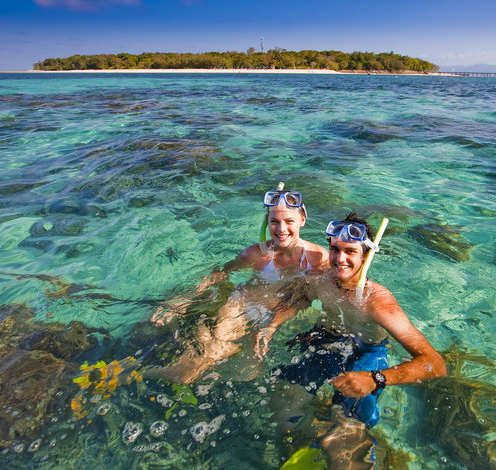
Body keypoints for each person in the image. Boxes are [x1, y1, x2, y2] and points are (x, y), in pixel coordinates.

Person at [253, 212, 446, 469]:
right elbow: (299, 298)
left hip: (368, 352)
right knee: (283, 402)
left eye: (350, 251)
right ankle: (304, 444)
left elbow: (435, 363)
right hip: (327, 339)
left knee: (346, 431)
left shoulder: (378, 303)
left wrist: (375, 378)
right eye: (334, 250)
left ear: (366, 256)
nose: (339, 259)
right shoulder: (322, 280)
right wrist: (272, 325)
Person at [145, 188, 328, 384]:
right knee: (198, 365)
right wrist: (179, 303)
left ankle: (188, 345)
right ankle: (134, 374)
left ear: (302, 220)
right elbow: (219, 274)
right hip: (241, 305)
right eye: (275, 221)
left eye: (289, 221)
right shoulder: (255, 255)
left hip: (273, 315)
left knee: (250, 371)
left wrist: (271, 326)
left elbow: (307, 297)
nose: (281, 229)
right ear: (268, 222)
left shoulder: (318, 258)